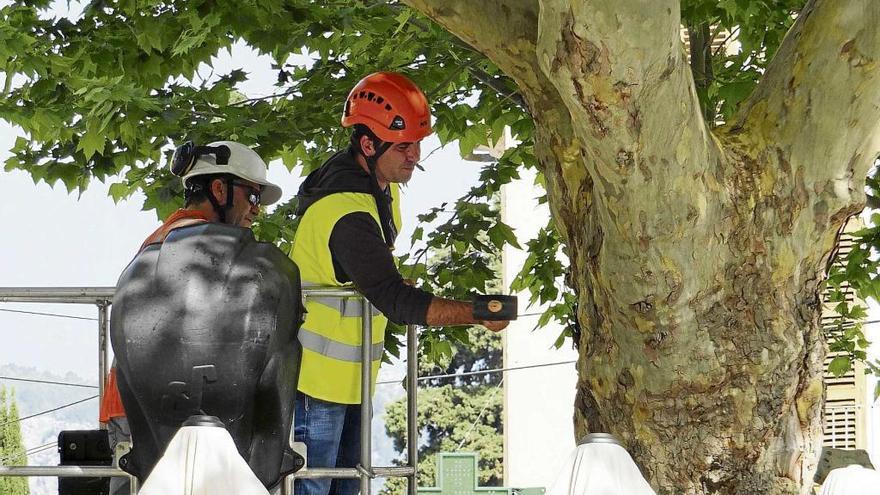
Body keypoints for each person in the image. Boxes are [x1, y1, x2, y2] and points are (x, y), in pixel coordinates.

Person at [289, 71, 511, 495]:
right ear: (368, 144)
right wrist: (477, 312)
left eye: (417, 143)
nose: (415, 154)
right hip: (315, 386)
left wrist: (380, 278)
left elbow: (370, 275)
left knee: (347, 489)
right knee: (311, 490)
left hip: (348, 382)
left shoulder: (379, 188)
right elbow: (395, 300)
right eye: (404, 145)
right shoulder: (347, 210)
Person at [101, 140, 285, 493]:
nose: (256, 210)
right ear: (219, 189)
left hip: (145, 402)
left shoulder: (166, 240)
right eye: (253, 196)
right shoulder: (201, 246)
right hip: (166, 405)